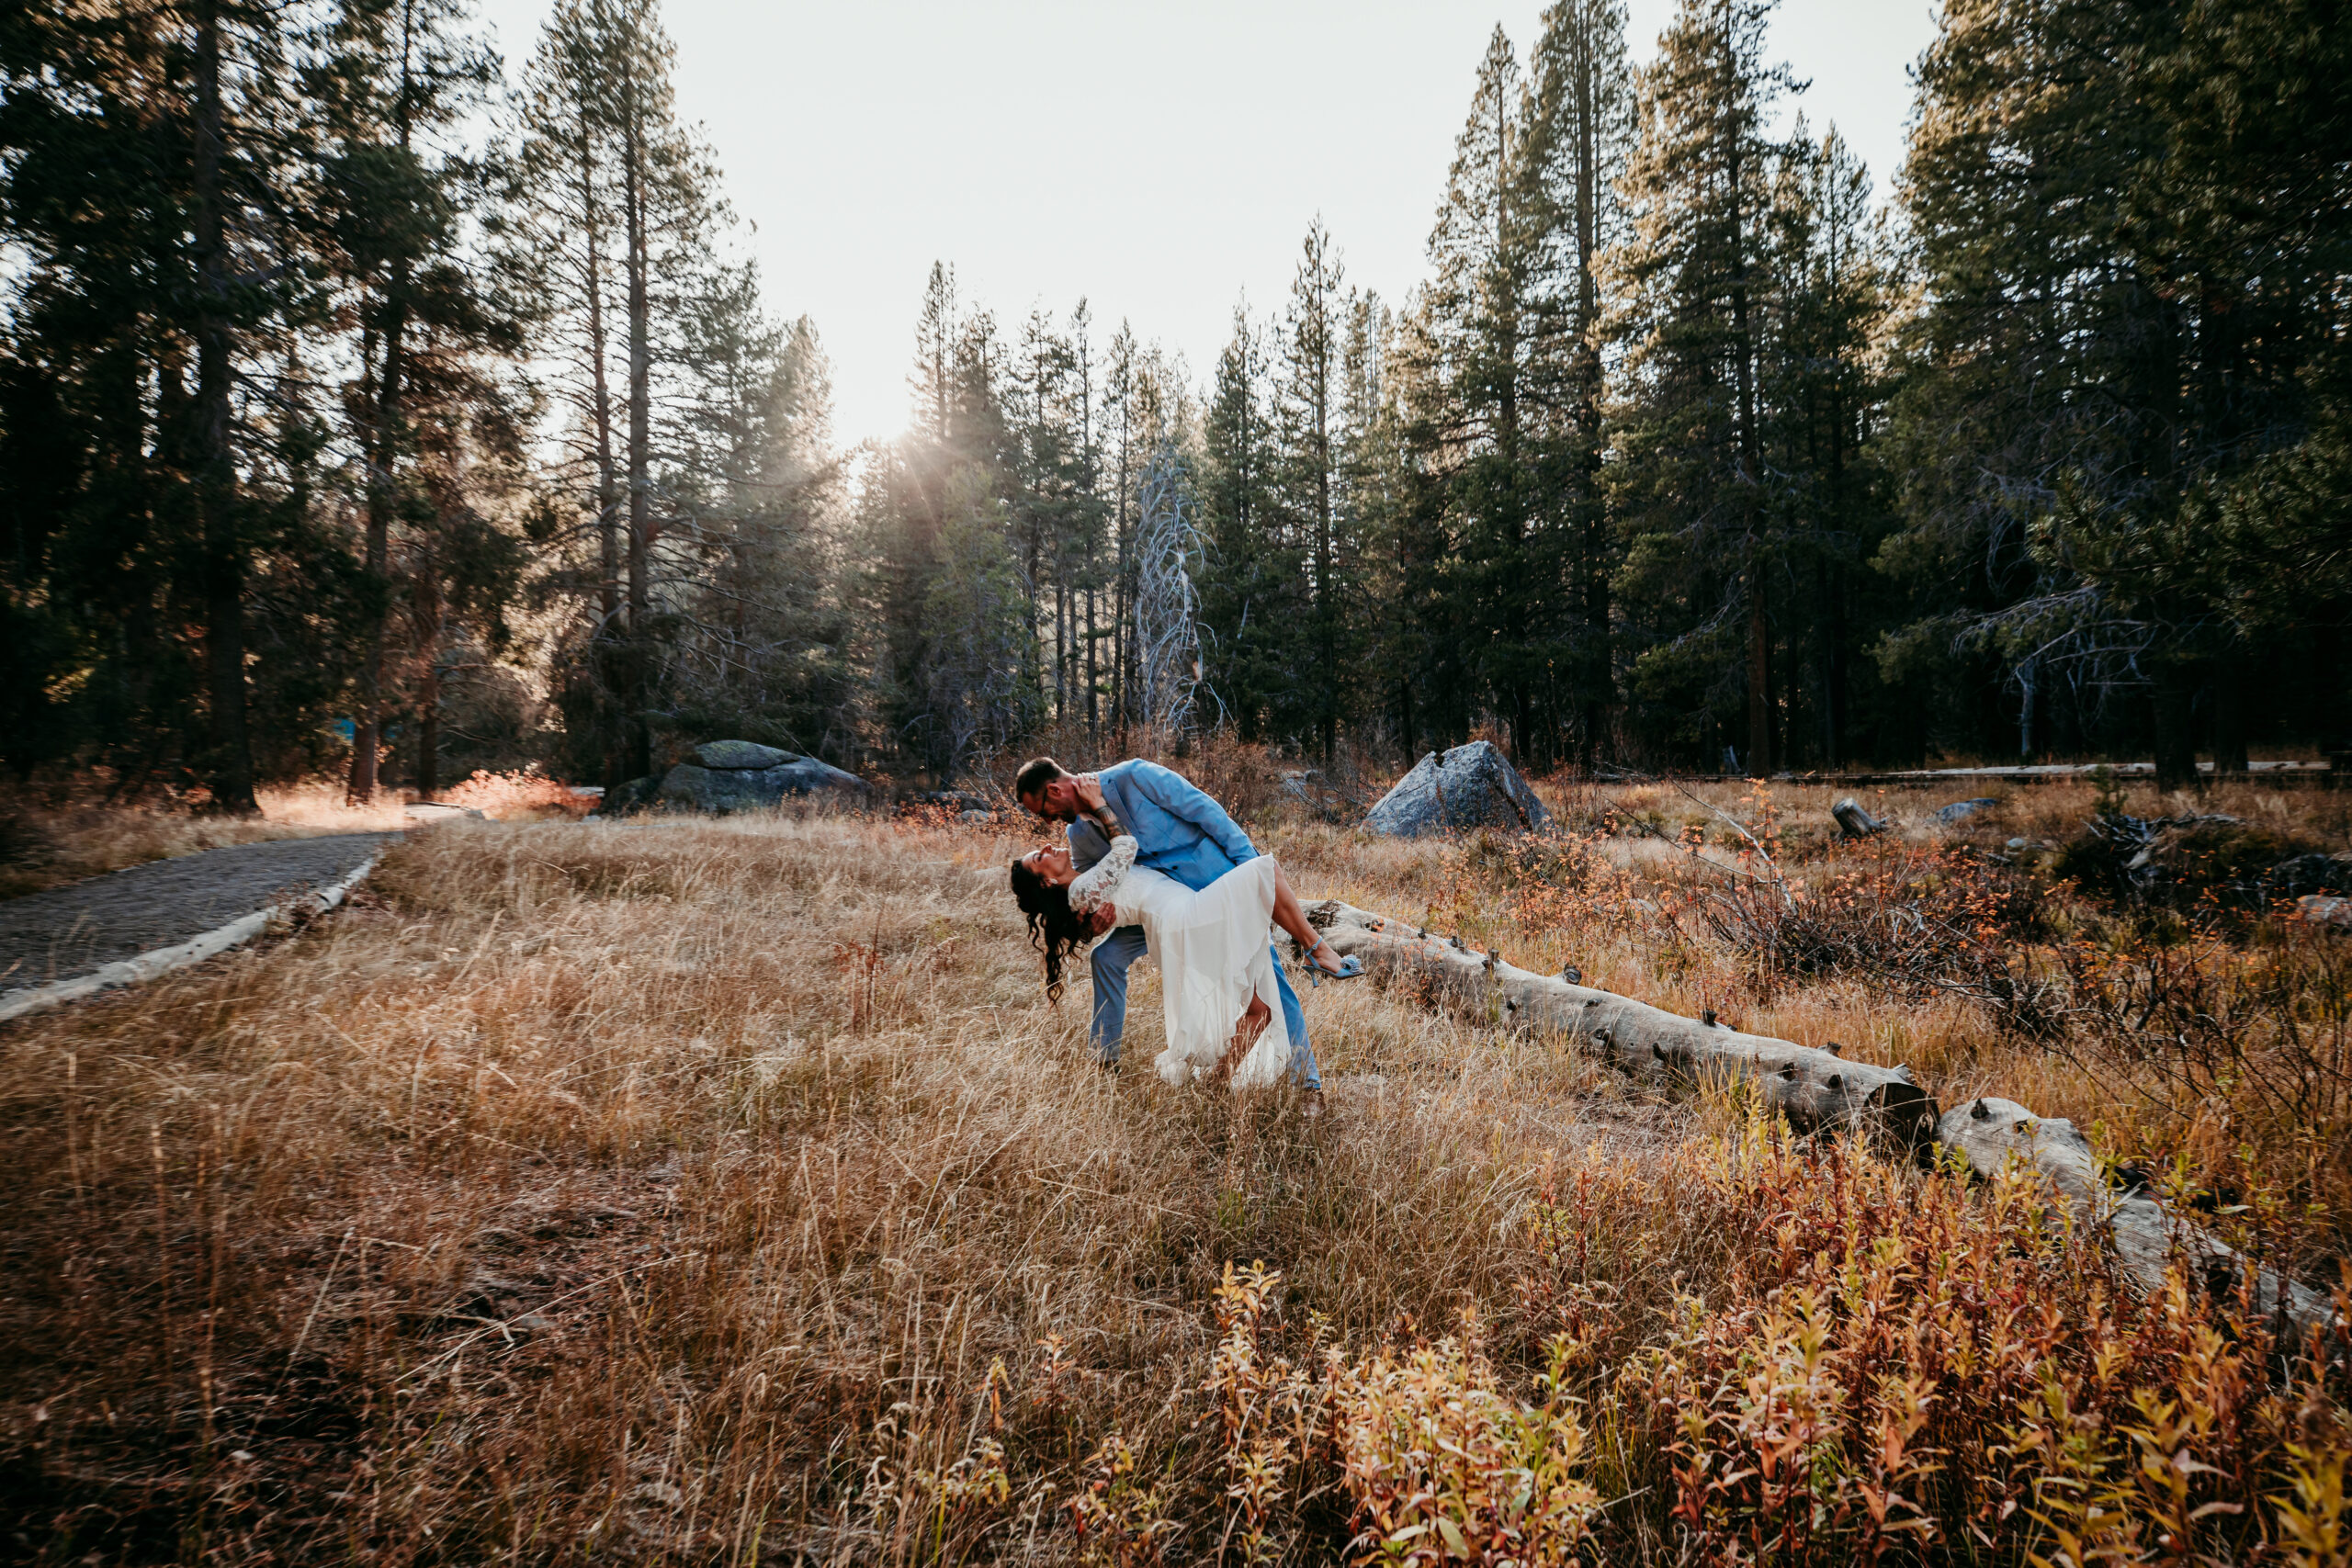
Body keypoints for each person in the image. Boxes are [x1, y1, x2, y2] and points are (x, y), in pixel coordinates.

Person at [1012, 757, 1336, 1114]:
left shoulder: (1134, 777)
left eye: (1043, 811)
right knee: (1104, 956)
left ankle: (1308, 1085)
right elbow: (1088, 893)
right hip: (1159, 910)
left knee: (1265, 970)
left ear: (1055, 790)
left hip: (1205, 879)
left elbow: (1206, 812)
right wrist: (1093, 926)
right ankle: (1105, 1061)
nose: (1047, 821)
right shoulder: (1079, 836)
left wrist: (1247, 869)